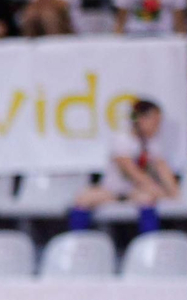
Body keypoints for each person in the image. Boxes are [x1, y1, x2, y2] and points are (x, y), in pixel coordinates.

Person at [72, 99, 179, 232]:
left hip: (134, 192)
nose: (158, 126)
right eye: (155, 121)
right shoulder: (122, 139)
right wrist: (156, 188)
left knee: (147, 199)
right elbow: (130, 171)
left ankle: (149, 241)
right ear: (141, 119)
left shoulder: (152, 143)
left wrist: (174, 192)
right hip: (112, 191)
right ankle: (79, 239)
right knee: (83, 198)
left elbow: (162, 168)